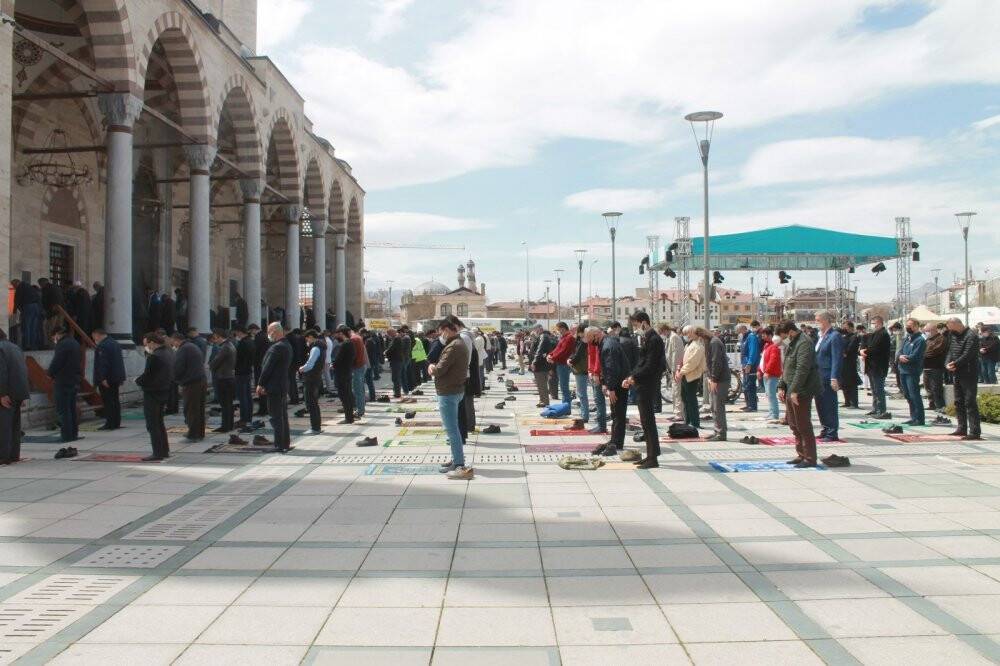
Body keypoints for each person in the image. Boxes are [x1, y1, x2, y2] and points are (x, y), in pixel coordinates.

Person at [430, 319, 474, 479]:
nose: (440, 335)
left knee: (451, 429)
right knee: (452, 428)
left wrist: (431, 367)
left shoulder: (454, 346)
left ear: (447, 329)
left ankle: (458, 463)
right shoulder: (459, 343)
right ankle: (456, 459)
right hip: (454, 389)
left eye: (441, 332)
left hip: (448, 391)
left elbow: (439, 369)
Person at [775, 320, 822, 467]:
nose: (783, 340)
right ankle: (801, 454)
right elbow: (787, 367)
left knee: (803, 424)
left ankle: (810, 458)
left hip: (802, 389)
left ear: (790, 332)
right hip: (791, 388)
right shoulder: (793, 342)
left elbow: (802, 368)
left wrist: (794, 390)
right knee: (794, 424)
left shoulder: (804, 343)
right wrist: (781, 386)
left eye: (783, 336)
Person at [622, 312, 665, 468]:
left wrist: (634, 377)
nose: (635, 328)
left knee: (648, 421)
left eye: (636, 325)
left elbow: (650, 365)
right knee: (646, 422)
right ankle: (651, 455)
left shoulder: (654, 339)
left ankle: (653, 458)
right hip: (643, 383)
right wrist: (631, 376)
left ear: (643, 323)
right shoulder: (648, 337)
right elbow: (641, 362)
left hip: (647, 384)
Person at [585, 325, 629, 456]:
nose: (589, 342)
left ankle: (616, 442)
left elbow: (612, 368)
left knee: (618, 414)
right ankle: (615, 440)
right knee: (616, 414)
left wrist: (611, 388)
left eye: (590, 339)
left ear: (596, 335)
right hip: (617, 383)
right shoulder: (605, 343)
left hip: (618, 385)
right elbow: (606, 368)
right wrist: (605, 384)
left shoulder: (608, 345)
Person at [136, 333, 173, 460]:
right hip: (163, 390)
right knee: (159, 422)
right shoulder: (167, 353)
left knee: (153, 424)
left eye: (146, 344)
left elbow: (148, 375)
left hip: (153, 392)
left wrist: (137, 381)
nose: (146, 347)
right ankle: (164, 450)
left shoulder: (155, 356)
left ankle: (157, 452)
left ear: (152, 342)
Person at [257, 322, 292, 451]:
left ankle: (279, 444)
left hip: (274, 386)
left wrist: (260, 384)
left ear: (275, 332)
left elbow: (267, 367)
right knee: (282, 416)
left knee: (275, 417)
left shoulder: (276, 347)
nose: (268, 335)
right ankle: (285, 443)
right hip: (282, 384)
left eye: (269, 332)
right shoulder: (287, 345)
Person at [946, 317, 981, 440]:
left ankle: (974, 431)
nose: (951, 331)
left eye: (951, 328)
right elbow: (950, 351)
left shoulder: (971, 336)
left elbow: (968, 354)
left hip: (969, 373)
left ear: (957, 324)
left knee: (969, 401)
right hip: (957, 372)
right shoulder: (953, 335)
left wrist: (954, 364)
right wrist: (948, 363)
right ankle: (961, 428)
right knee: (958, 401)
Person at [46, 327, 80, 442]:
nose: (54, 340)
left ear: (57, 334)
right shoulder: (74, 343)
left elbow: (57, 361)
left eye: (53, 338)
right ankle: (73, 434)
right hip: (74, 379)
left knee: (63, 410)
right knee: (71, 408)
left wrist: (50, 373)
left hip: (63, 380)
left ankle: (66, 435)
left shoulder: (62, 344)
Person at [0, 329, 29, 464]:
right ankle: (13, 454)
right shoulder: (15, 347)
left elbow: (1, 372)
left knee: (3, 426)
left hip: (7, 393)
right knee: (15, 426)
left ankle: (3, 456)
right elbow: (23, 370)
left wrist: (2, 394)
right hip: (18, 391)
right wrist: (23, 394)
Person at [171, 331, 206, 442]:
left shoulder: (183, 349)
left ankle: (193, 434)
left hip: (191, 383)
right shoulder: (192, 346)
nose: (173, 345)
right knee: (198, 408)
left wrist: (176, 380)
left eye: (173, 342)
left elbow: (178, 367)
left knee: (191, 409)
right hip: (199, 380)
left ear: (176, 340)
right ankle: (199, 432)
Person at [813, 311, 843, 442]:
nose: (816, 322)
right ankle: (825, 428)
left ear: (826, 320)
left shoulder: (834, 336)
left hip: (828, 376)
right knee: (820, 404)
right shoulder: (821, 336)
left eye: (818, 320)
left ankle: (832, 432)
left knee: (829, 404)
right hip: (818, 377)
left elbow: (837, 358)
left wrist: (834, 377)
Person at [92, 328, 126, 430]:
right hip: (116, 377)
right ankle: (116, 422)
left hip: (107, 378)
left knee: (108, 401)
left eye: (94, 337)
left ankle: (110, 423)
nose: (94, 339)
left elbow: (103, 363)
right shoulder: (115, 343)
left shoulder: (103, 346)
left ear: (97, 335)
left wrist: (102, 378)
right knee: (115, 400)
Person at [676, 325, 707, 429]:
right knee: (685, 398)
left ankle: (694, 422)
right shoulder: (689, 344)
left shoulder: (698, 346)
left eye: (687, 333)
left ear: (693, 333)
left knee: (691, 399)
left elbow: (692, 363)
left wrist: (681, 372)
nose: (686, 336)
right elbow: (683, 359)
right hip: (685, 374)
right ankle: (687, 420)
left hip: (692, 376)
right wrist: (678, 369)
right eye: (684, 334)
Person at [897, 318, 926, 426]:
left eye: (910, 325)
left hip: (912, 371)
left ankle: (919, 418)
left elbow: (916, 355)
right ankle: (913, 417)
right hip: (903, 370)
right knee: (907, 395)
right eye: (907, 325)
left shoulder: (920, 340)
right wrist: (899, 356)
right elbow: (900, 351)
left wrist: (906, 358)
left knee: (914, 395)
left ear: (916, 326)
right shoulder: (907, 338)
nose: (908, 327)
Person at [861, 315, 891, 419]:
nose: (872, 325)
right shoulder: (873, 334)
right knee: (874, 390)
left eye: (873, 323)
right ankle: (875, 408)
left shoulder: (883, 334)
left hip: (879, 366)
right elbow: (865, 342)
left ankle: (881, 410)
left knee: (879, 389)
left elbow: (875, 348)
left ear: (879, 323)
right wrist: (862, 350)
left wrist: (865, 351)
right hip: (871, 366)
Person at [208, 329, 236, 433]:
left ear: (220, 337)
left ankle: (225, 426)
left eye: (216, 338)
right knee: (228, 403)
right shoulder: (231, 345)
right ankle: (229, 424)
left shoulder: (225, 347)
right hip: (229, 377)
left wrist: (211, 366)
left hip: (223, 377)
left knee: (225, 404)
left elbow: (216, 361)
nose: (215, 341)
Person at [299, 329, 326, 435]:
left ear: (310, 337)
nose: (307, 342)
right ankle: (316, 426)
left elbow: (310, 364)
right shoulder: (322, 346)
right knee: (314, 403)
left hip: (310, 378)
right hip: (316, 377)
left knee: (310, 403)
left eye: (307, 339)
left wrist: (301, 368)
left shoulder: (315, 348)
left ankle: (315, 427)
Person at [706, 328, 730, 441]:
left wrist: (714, 379)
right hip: (716, 379)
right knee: (714, 406)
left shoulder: (714, 343)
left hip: (720, 379)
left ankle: (721, 433)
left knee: (718, 406)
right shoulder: (711, 342)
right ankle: (717, 430)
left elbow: (716, 362)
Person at [547, 322, 575, 404]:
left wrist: (552, 358)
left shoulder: (569, 338)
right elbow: (557, 349)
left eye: (559, 330)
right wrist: (550, 355)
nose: (558, 332)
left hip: (564, 364)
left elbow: (564, 351)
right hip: (560, 363)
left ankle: (566, 405)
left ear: (563, 328)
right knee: (563, 386)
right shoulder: (564, 337)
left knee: (564, 386)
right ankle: (565, 404)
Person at [586, 325, 608, 435]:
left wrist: (595, 372)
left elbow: (598, 359)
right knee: (597, 400)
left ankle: (602, 425)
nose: (588, 340)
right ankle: (600, 424)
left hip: (598, 374)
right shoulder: (592, 342)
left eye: (589, 337)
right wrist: (590, 371)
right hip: (593, 373)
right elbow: (590, 356)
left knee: (599, 401)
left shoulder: (598, 342)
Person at [332, 325, 356, 424]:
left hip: (342, 373)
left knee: (344, 395)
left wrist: (333, 365)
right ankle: (350, 416)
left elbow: (338, 359)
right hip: (347, 371)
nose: (337, 336)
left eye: (338, 334)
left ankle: (348, 418)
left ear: (341, 334)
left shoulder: (345, 344)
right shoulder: (350, 343)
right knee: (347, 394)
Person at [759, 327, 783, 423]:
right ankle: (771, 412)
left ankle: (775, 414)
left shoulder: (774, 346)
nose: (762, 336)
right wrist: (759, 370)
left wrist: (768, 371)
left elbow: (773, 360)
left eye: (764, 334)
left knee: (771, 395)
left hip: (771, 374)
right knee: (768, 394)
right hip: (766, 373)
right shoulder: (766, 346)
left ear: (769, 335)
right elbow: (763, 359)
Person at [922, 322, 947, 414]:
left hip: (936, 367)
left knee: (936, 388)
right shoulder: (928, 339)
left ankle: (940, 406)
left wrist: (922, 355)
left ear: (933, 330)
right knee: (927, 387)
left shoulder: (941, 339)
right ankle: (932, 404)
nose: (926, 333)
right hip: (926, 367)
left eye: (927, 331)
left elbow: (934, 351)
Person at [233, 326, 255, 428]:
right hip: (248, 371)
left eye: (237, 333)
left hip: (241, 372)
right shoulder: (250, 341)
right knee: (248, 396)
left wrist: (236, 369)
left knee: (243, 397)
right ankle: (248, 417)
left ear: (240, 332)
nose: (236, 335)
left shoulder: (243, 343)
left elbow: (239, 358)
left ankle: (244, 418)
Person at [12, 279, 43, 350]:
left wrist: (14, 311)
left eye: (13, 285)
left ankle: (27, 345)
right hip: (36, 307)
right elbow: (38, 297)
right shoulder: (29, 287)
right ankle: (33, 345)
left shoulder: (20, 287)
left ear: (17, 283)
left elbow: (17, 299)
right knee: (33, 327)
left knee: (26, 327)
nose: (14, 287)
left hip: (28, 307)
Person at [569, 324, 590, 426]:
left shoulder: (583, 343)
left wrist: (570, 361)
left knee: (582, 393)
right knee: (581, 393)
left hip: (581, 369)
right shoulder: (583, 341)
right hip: (582, 369)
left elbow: (577, 355)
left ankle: (584, 415)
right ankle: (584, 414)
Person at [663, 324, 685, 423]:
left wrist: (676, 369)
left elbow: (676, 354)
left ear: (665, 330)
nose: (662, 334)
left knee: (677, 392)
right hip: (673, 369)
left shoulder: (674, 337)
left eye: (662, 332)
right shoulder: (670, 337)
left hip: (676, 369)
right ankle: (676, 412)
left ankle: (679, 414)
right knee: (675, 392)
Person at [530, 324, 556, 407]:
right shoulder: (542, 336)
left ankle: (544, 401)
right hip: (541, 363)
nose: (534, 332)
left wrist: (534, 362)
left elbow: (539, 350)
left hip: (541, 364)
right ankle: (542, 400)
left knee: (542, 383)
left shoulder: (543, 336)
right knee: (540, 383)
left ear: (540, 329)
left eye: (535, 330)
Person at [740, 321, 762, 412]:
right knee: (746, 385)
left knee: (750, 385)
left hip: (751, 365)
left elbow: (753, 351)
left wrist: (749, 363)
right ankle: (748, 404)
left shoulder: (752, 337)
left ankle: (752, 406)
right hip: (746, 364)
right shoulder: (747, 337)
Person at [350, 327, 369, 420]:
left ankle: (360, 410)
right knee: (360, 389)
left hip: (358, 367)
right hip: (362, 366)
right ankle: (361, 408)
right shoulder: (359, 339)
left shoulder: (355, 340)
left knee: (358, 390)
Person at [384, 328, 405, 398]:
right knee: (395, 377)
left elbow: (392, 348)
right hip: (396, 360)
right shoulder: (396, 338)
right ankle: (396, 391)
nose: (388, 335)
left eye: (389, 334)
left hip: (396, 360)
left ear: (392, 333)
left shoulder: (397, 339)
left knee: (395, 377)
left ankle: (397, 393)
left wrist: (385, 352)